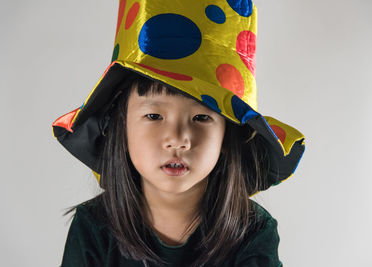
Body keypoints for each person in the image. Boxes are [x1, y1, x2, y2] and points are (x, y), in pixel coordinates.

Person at [52, 0, 306, 266]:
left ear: (227, 136)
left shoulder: (253, 233)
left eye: (201, 117)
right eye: (154, 116)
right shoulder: (93, 228)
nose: (177, 138)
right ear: (121, 125)